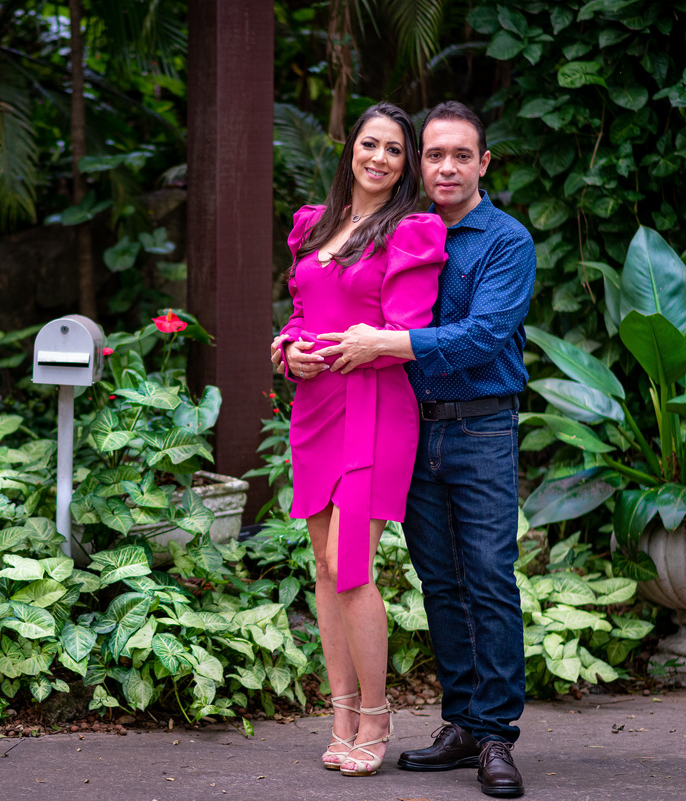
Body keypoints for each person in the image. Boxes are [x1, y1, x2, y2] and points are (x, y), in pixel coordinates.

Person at [298, 101, 535, 798]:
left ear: (483, 163)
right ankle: (460, 722)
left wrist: (388, 341)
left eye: (461, 155)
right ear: (419, 165)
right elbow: (327, 304)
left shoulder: (505, 240)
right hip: (416, 424)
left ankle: (495, 734)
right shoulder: (399, 227)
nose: (447, 167)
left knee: (488, 576)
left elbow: (486, 334)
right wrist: (295, 347)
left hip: (480, 427)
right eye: (435, 155)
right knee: (440, 580)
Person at [274, 102, 447, 778]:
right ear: (351, 148)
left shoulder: (411, 230)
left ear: (406, 165)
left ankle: (376, 715)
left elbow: (407, 328)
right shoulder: (314, 224)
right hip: (316, 405)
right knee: (322, 567)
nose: (379, 158)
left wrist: (361, 343)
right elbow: (301, 313)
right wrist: (289, 350)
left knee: (349, 565)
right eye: (370, 144)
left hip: (375, 404)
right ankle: (341, 713)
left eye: (394, 150)